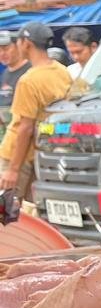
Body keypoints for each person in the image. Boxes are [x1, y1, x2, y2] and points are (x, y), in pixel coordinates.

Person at [0, 23, 72, 200]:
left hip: (16, 155)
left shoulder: (29, 80)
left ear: (26, 43)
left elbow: (25, 128)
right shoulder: (62, 71)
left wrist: (12, 169)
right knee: (30, 213)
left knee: (6, 215)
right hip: (40, 154)